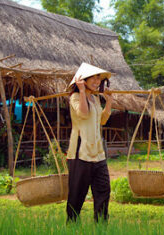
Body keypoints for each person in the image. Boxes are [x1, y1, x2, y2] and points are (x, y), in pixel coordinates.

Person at [66, 62, 113, 223]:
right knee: (77, 192)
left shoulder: (95, 99)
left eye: (98, 78)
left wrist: (108, 102)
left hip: (98, 153)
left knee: (104, 189)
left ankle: (101, 224)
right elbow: (84, 115)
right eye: (93, 78)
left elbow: (102, 121)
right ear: (83, 79)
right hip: (80, 152)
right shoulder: (75, 97)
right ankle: (72, 223)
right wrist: (81, 91)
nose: (96, 81)